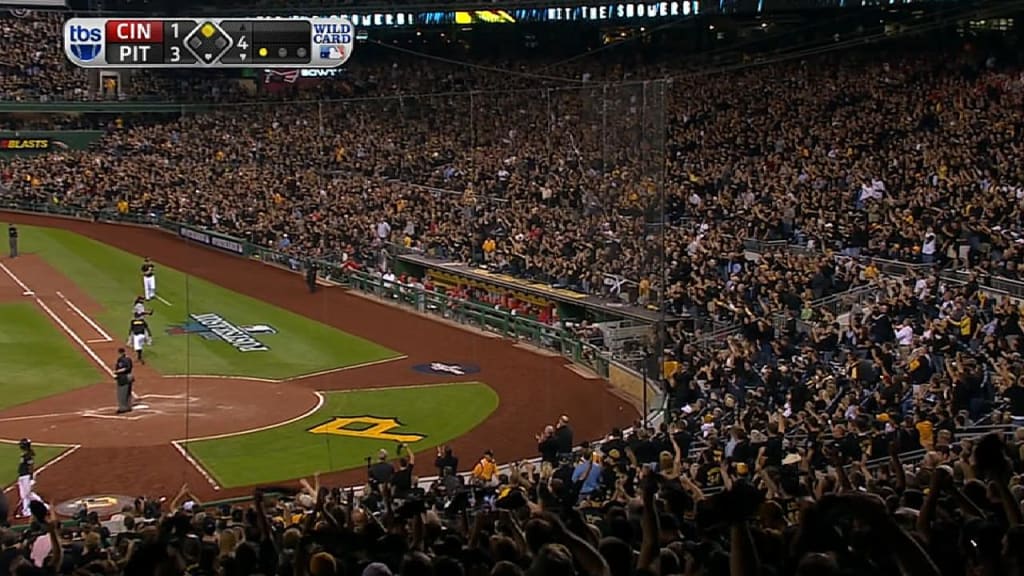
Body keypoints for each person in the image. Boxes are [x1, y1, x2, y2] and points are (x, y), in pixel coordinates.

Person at [16, 438, 40, 519]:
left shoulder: (29, 455)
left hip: (26, 476)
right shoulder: (25, 454)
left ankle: (43, 505)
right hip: (22, 476)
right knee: (23, 495)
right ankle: (26, 511)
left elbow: (31, 467)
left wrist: (31, 478)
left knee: (28, 494)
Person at [113, 347, 134, 414]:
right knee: (125, 393)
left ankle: (123, 408)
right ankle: (127, 406)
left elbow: (128, 368)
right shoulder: (119, 359)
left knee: (123, 393)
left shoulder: (127, 359)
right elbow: (117, 368)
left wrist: (118, 371)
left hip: (125, 377)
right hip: (122, 377)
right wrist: (117, 374)